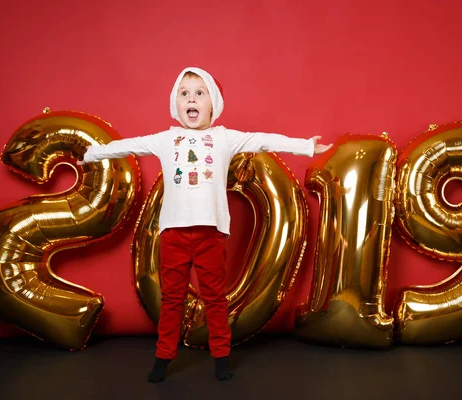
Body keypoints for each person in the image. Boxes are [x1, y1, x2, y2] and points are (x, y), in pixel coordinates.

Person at [79, 67, 333, 382]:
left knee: (214, 298)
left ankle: (221, 357)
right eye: (184, 93)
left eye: (199, 93)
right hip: (173, 233)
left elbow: (263, 141)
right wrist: (92, 153)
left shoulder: (224, 138)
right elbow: (128, 145)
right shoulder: (166, 139)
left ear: (212, 103)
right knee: (171, 299)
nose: (192, 99)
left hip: (211, 234)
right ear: (175, 104)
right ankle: (163, 357)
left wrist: (305, 146)